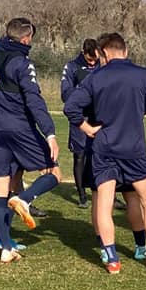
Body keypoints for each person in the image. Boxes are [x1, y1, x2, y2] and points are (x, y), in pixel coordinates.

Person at [64, 32, 146, 274]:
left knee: (104, 203)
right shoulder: (143, 75)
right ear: (125, 51)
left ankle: (112, 259)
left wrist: (86, 127)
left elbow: (71, 106)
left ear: (104, 53)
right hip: (133, 146)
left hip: (104, 147)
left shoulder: (95, 77)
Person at [0, 18, 61, 263]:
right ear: (26, 39)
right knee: (54, 172)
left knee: (0, 189)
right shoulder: (22, 63)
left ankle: (5, 247)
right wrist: (49, 133)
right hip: (19, 129)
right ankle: (24, 199)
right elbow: (34, 100)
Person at [61, 39, 99, 208]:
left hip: (99, 118)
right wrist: (82, 99)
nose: (93, 63)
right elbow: (66, 92)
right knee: (80, 155)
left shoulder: (102, 65)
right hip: (80, 118)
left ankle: (106, 193)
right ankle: (82, 194)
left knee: (100, 155)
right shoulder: (72, 67)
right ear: (83, 52)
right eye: (90, 60)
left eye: (95, 60)